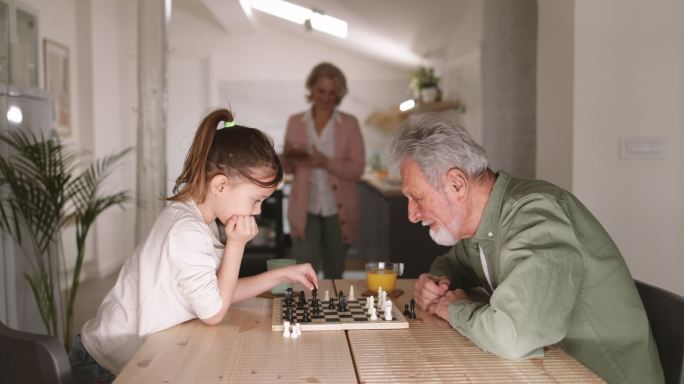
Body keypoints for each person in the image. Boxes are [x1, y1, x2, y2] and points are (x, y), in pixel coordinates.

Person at [388, 114, 664, 384]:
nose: (412, 214)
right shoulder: (486, 222)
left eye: (417, 197)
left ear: (457, 184)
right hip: (546, 369)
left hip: (601, 376)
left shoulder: (536, 215)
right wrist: (438, 282)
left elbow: (513, 335)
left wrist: (454, 309)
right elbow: (454, 263)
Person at [69, 109, 319, 383]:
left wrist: (281, 275)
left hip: (131, 355)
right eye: (256, 200)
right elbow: (213, 312)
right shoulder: (186, 231)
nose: (258, 211)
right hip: (104, 366)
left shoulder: (199, 218)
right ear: (220, 186)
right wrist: (236, 245)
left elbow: (217, 292)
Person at [282, 62, 365, 278]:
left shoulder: (349, 124)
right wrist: (286, 159)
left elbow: (357, 169)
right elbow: (289, 168)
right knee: (303, 269)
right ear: (311, 89)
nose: (326, 97)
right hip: (304, 209)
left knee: (334, 272)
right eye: (321, 90)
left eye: (332, 92)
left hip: (339, 211)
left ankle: (332, 310)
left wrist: (325, 162)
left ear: (338, 94)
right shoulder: (295, 122)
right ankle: (304, 310)